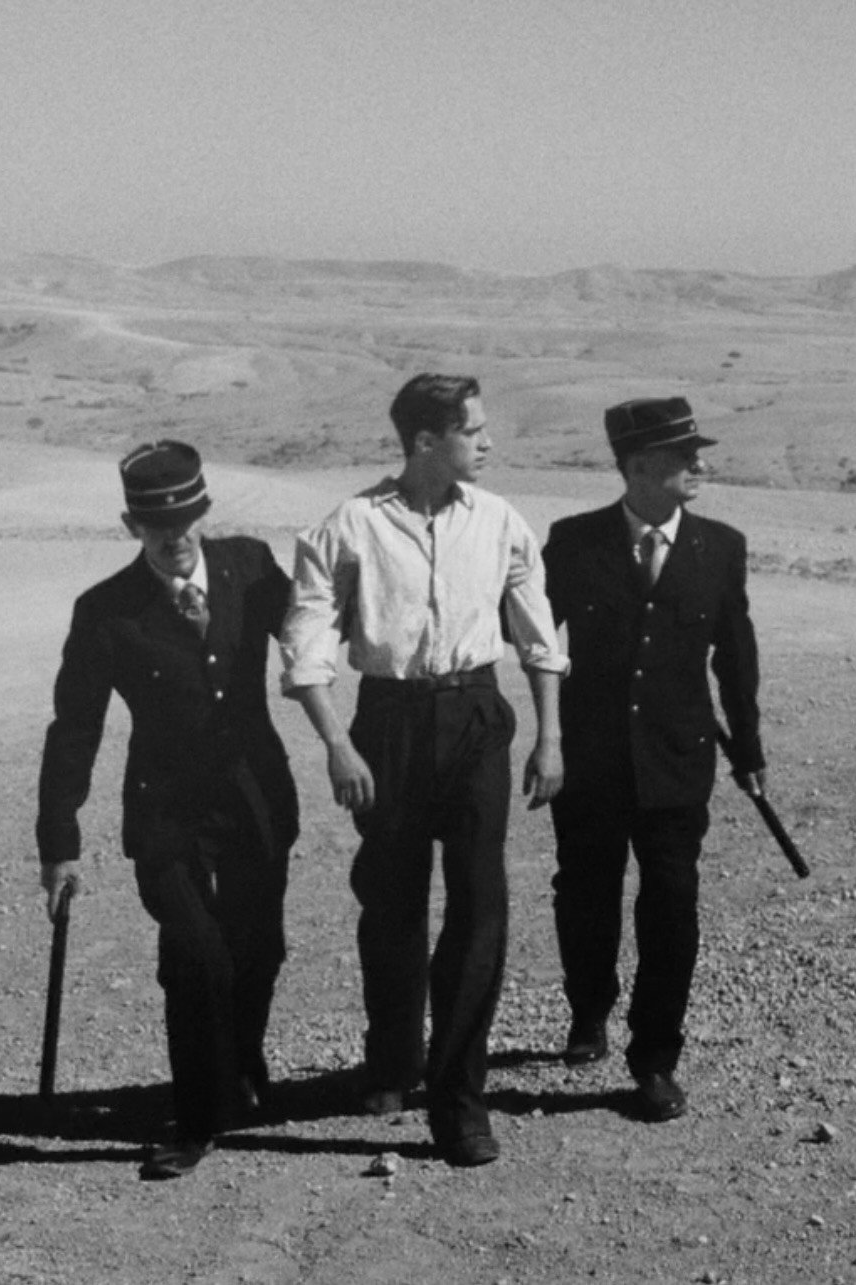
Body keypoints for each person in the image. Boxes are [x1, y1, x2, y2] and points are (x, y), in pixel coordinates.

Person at [282, 374, 567, 1168]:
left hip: (476, 715)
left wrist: (549, 737)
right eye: (473, 430)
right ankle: (391, 1060)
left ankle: (459, 1101)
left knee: (480, 904)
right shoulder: (350, 525)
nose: (488, 442)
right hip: (388, 724)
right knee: (392, 900)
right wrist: (337, 744)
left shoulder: (501, 520)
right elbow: (306, 643)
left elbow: (538, 636)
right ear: (424, 442)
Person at [37, 441, 299, 1181]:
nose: (175, 535)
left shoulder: (251, 567)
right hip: (166, 813)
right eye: (157, 524)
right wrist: (59, 841)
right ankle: (196, 1119)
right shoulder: (105, 611)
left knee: (258, 949)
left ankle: (242, 1060)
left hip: (253, 799)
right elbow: (75, 727)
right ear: (132, 526)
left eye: (186, 519)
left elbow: (311, 631)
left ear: (204, 512)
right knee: (197, 958)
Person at [542, 396, 766, 1123]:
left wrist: (749, 748)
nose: (699, 465)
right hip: (591, 760)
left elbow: (735, 654)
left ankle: (656, 1058)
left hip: (678, 761)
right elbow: (535, 638)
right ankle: (589, 1009)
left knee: (671, 905)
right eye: (683, 456)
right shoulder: (573, 543)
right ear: (639, 467)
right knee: (585, 894)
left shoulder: (720, 546)